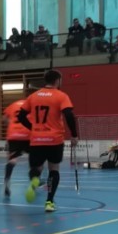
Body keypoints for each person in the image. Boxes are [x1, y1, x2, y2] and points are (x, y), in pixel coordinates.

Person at [16, 69, 78, 213]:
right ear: (57, 80)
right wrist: (74, 135)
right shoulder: (61, 96)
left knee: (36, 168)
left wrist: (33, 128)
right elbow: (69, 114)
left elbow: (21, 116)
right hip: (54, 140)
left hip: (37, 139)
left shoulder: (33, 96)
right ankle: (49, 202)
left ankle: (34, 180)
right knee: (53, 169)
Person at [2, 94, 30, 199]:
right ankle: (34, 178)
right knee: (35, 159)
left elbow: (4, 119)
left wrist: (11, 124)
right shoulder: (31, 105)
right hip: (28, 135)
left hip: (13, 135)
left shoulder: (13, 105)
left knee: (12, 160)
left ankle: (7, 181)